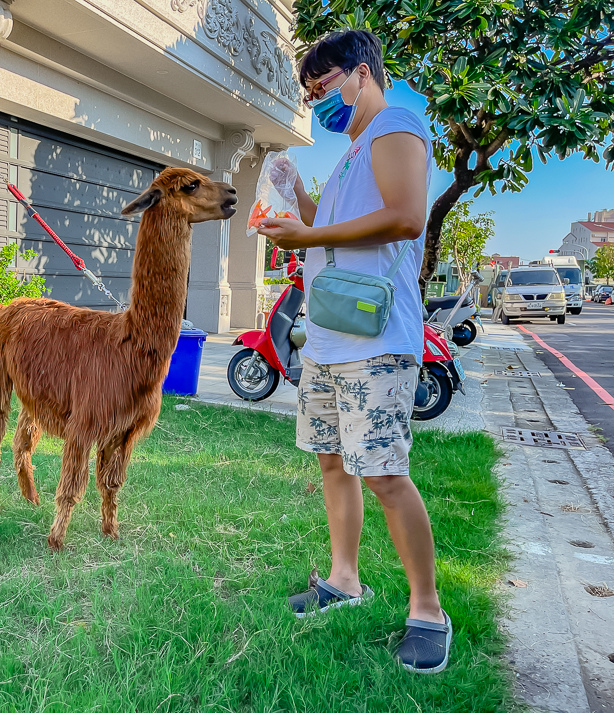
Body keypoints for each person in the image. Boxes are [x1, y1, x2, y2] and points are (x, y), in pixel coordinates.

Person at [257, 29, 451, 674]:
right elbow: (330, 236)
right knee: (333, 464)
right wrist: (297, 202)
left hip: (377, 341)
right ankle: (344, 580)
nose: (320, 103)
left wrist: (311, 227)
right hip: (331, 338)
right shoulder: (350, 152)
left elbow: (404, 217)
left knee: (386, 474)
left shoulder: (397, 127)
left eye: (323, 87)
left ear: (360, 72)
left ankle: (427, 610)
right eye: (311, 94)